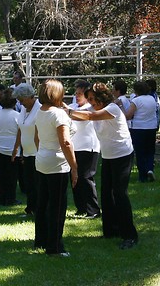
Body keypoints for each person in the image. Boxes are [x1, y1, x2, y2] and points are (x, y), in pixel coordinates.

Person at [67, 82, 139, 249]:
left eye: (92, 98)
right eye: (89, 99)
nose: (90, 102)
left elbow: (90, 117)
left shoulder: (112, 108)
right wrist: (63, 110)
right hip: (108, 156)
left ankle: (130, 235)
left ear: (101, 98)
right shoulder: (93, 109)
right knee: (107, 194)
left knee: (120, 194)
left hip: (122, 155)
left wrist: (68, 111)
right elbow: (80, 114)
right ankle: (111, 231)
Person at [33, 79, 77, 256]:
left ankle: (40, 240)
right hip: (56, 162)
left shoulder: (40, 111)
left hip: (42, 159)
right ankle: (55, 247)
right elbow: (65, 142)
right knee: (57, 206)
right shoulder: (58, 115)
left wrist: (42, 152)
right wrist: (74, 167)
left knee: (42, 203)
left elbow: (36, 138)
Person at [67, 79, 101, 219]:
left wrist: (68, 111)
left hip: (89, 147)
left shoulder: (90, 108)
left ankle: (93, 209)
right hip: (75, 147)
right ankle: (81, 207)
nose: (77, 96)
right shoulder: (72, 106)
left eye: (80, 93)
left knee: (86, 178)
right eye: (76, 93)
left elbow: (82, 116)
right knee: (75, 178)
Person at [12, 83, 41, 216]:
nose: (21, 103)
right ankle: (30, 209)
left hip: (37, 153)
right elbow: (20, 128)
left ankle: (37, 209)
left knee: (37, 184)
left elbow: (39, 134)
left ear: (30, 97)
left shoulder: (39, 109)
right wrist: (16, 148)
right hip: (27, 152)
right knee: (29, 183)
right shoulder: (23, 109)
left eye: (22, 100)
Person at [124, 81, 158, 183]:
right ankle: (149, 168)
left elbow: (129, 115)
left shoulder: (136, 100)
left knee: (140, 152)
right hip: (151, 127)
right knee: (150, 151)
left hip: (138, 128)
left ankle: (142, 175)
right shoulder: (152, 98)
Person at [0, 89, 20, 206]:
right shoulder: (17, 116)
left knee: (1, 174)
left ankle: (1, 198)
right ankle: (10, 198)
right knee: (12, 176)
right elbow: (20, 133)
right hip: (13, 149)